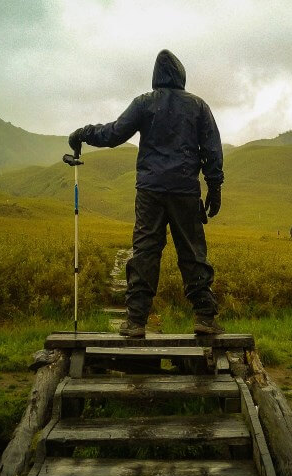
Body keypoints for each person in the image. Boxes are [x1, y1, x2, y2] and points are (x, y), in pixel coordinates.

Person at [68, 49, 224, 338]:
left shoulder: (144, 104)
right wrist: (214, 187)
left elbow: (114, 133)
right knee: (192, 252)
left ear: (156, 77)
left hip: (150, 191)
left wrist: (83, 133)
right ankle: (204, 316)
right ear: (181, 75)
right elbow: (212, 149)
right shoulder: (198, 106)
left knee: (145, 252)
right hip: (184, 191)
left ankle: (136, 321)